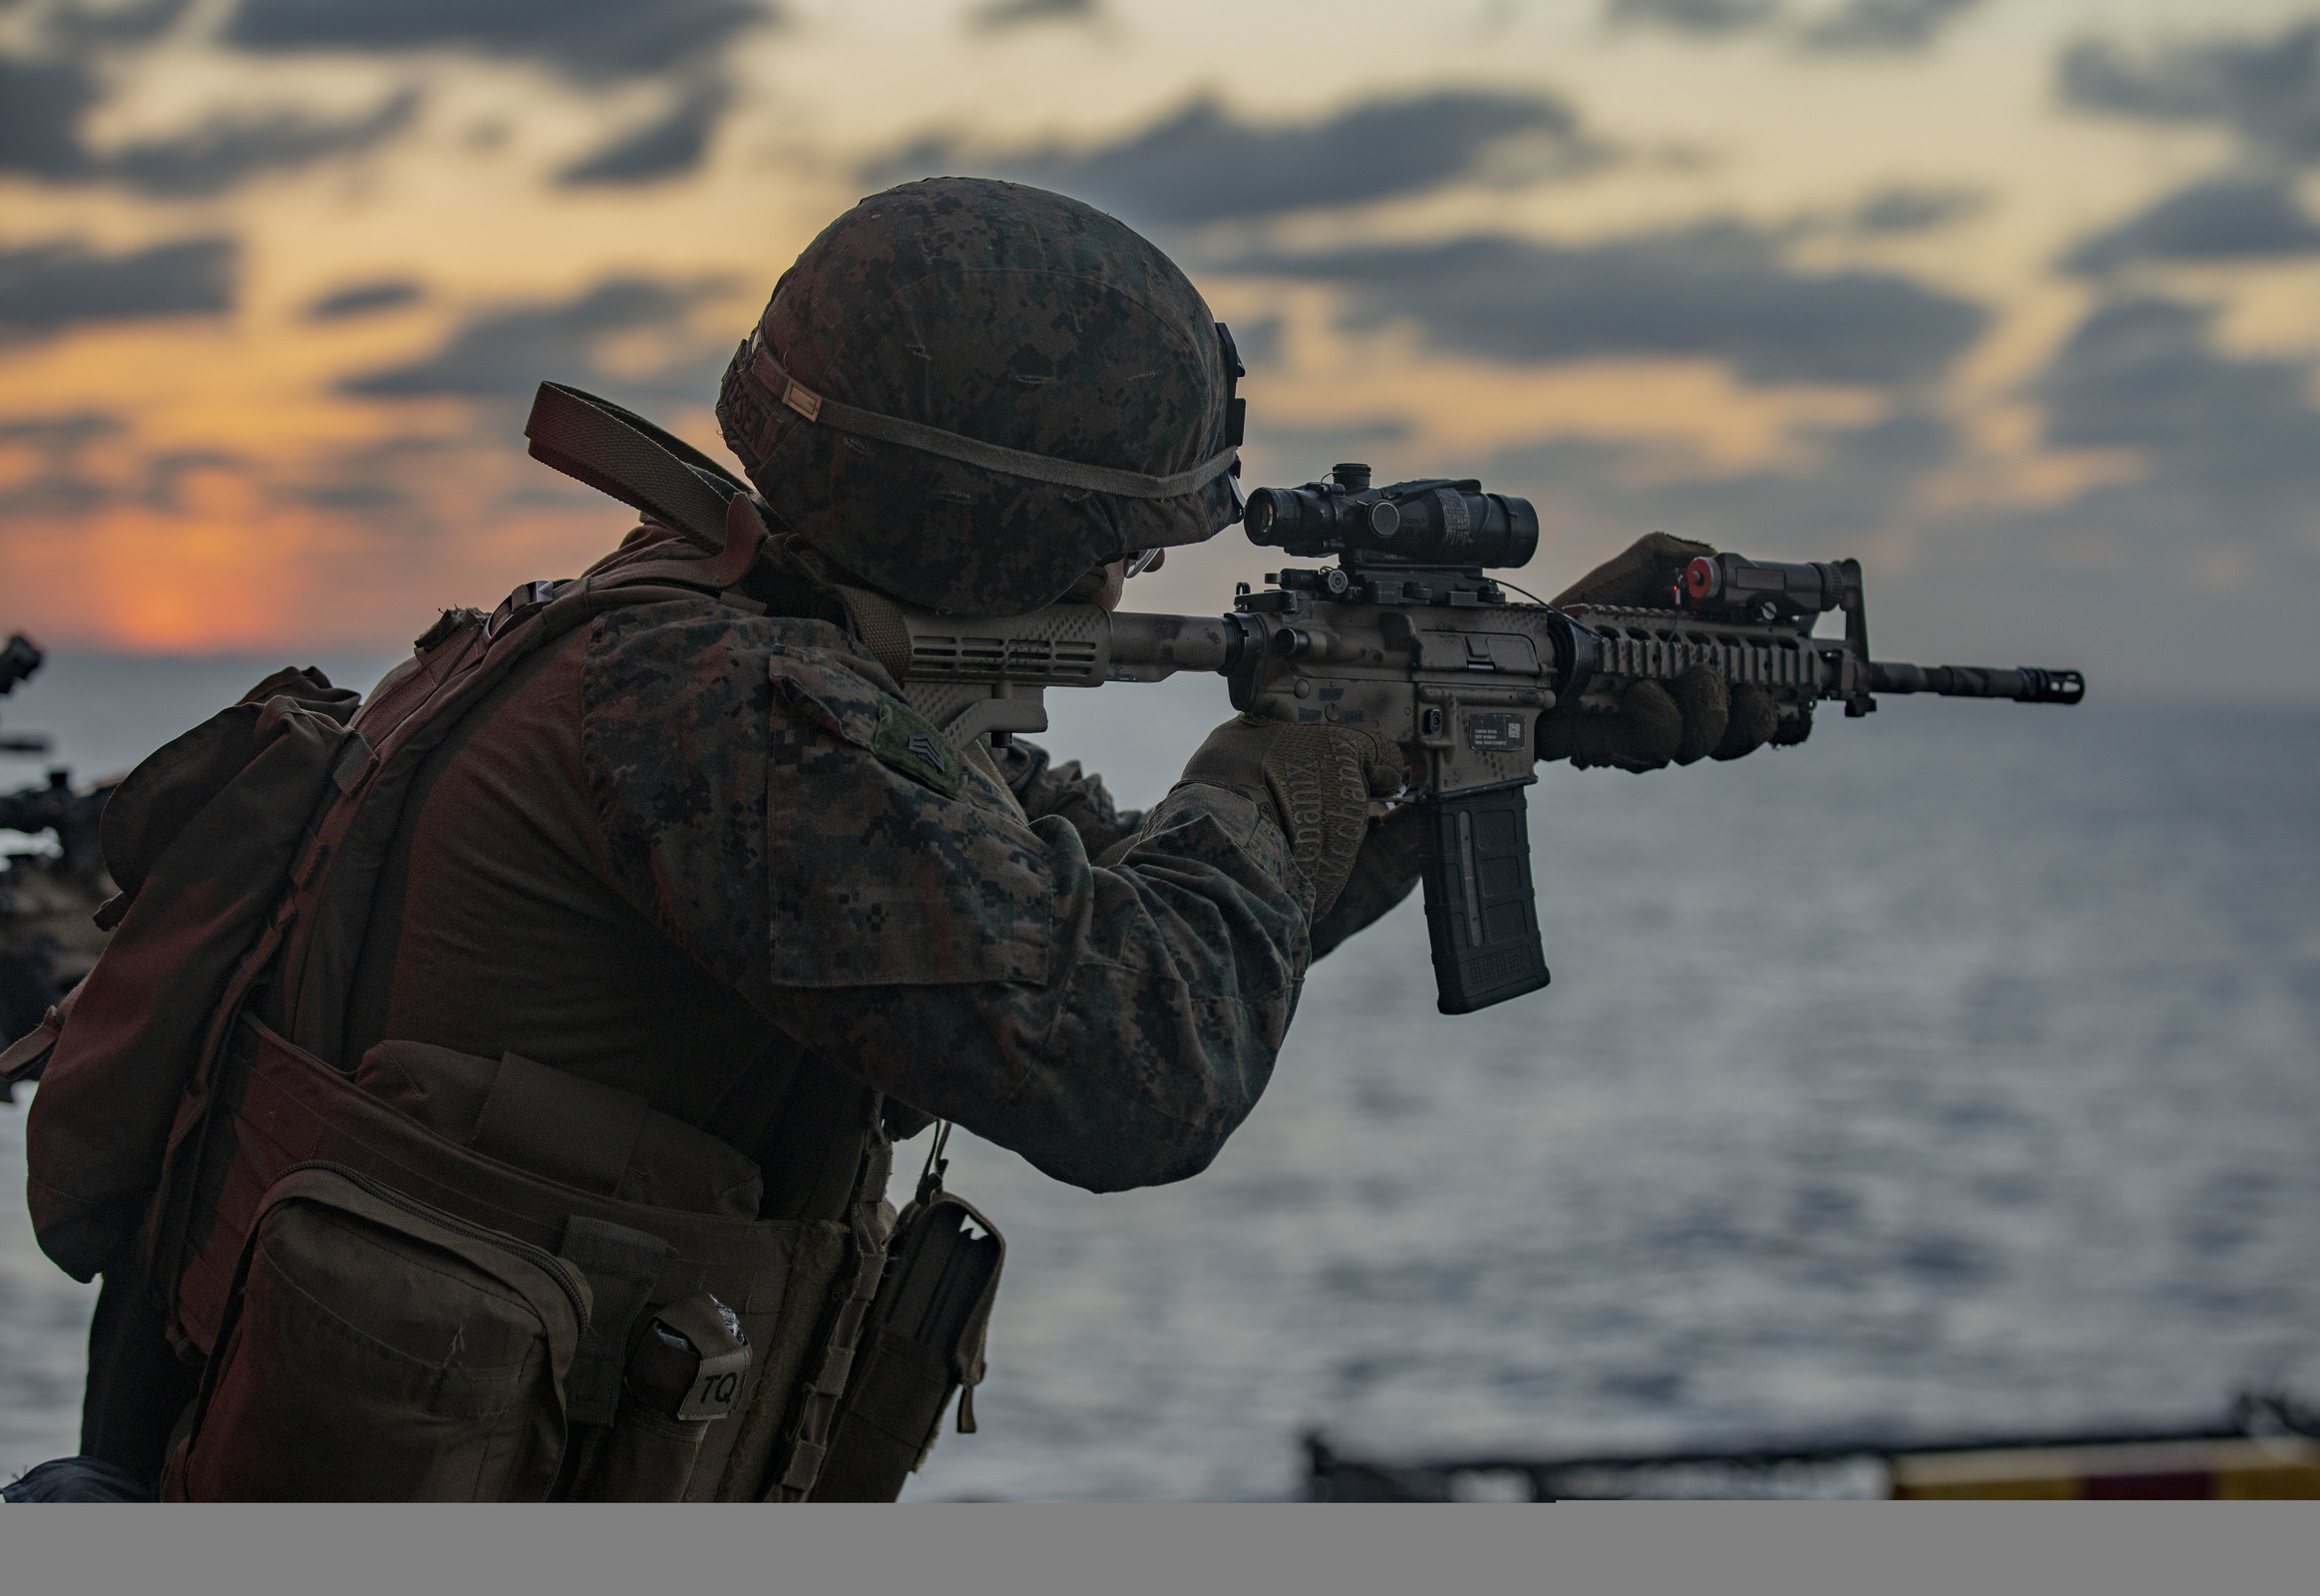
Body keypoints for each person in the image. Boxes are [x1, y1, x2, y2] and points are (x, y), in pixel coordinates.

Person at [34, 178, 1769, 1500]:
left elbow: (1124, 919)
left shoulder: (736, 659)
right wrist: (1300, 747)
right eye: (1103, 541)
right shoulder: (720, 715)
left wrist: (1482, 732)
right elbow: (1142, 1056)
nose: (1115, 589)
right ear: (976, 512)